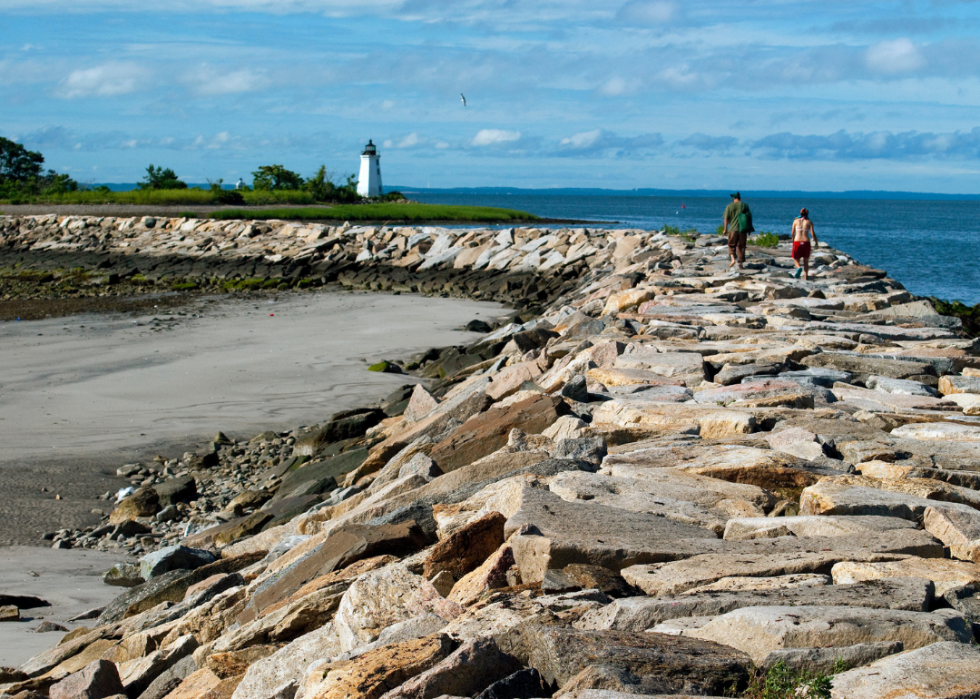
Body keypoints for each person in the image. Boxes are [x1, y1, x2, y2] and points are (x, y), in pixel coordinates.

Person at [722, 192, 754, 270]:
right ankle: (740, 264)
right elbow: (748, 217)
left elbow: (726, 219)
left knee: (731, 244)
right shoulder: (745, 205)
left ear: (734, 198)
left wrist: (725, 229)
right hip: (742, 229)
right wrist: (749, 228)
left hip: (732, 229)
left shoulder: (729, 206)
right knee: (741, 246)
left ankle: (733, 259)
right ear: (739, 198)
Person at [791, 207, 819, 280]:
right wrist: (816, 242)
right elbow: (812, 234)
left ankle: (799, 268)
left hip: (797, 241)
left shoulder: (795, 221)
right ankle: (806, 277)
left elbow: (792, 233)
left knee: (796, 259)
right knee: (806, 261)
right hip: (806, 242)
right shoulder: (809, 222)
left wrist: (793, 240)